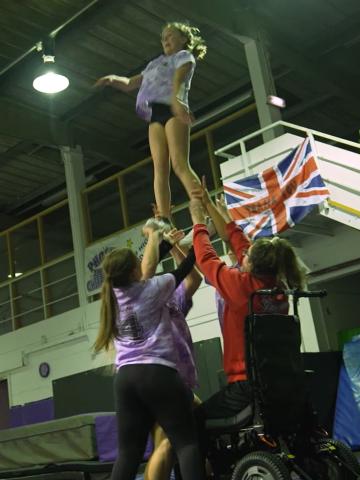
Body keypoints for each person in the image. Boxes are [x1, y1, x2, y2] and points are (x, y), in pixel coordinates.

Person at [188, 184, 306, 430]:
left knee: (192, 422)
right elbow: (240, 245)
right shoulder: (277, 288)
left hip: (245, 385)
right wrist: (212, 206)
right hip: (278, 381)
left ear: (251, 265)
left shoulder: (240, 287)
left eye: (247, 257)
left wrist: (198, 222)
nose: (243, 256)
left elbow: (207, 259)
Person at [94, 227, 205, 480]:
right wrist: (198, 243)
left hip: (125, 380)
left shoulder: (113, 295)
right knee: (186, 444)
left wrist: (164, 244)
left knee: (128, 454)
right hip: (157, 372)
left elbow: (148, 266)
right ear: (135, 271)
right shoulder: (152, 290)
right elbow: (185, 270)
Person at [94, 22, 207, 223]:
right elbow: (130, 83)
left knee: (179, 164)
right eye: (163, 37)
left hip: (173, 109)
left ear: (183, 39)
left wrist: (177, 100)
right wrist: (113, 79)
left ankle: (203, 204)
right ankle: (164, 218)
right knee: (159, 168)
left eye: (170, 36)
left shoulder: (183, 57)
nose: (165, 40)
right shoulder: (154, 64)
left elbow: (179, 79)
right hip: (155, 114)